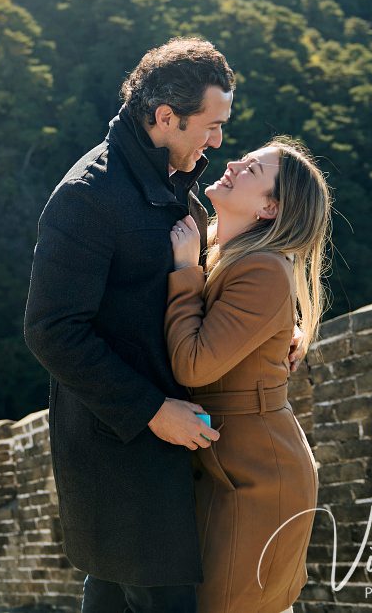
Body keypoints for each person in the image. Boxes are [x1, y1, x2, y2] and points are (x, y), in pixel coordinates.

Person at [24, 38, 235, 613]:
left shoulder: (171, 171)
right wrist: (151, 411)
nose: (219, 140)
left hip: (161, 445)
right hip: (121, 454)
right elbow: (51, 330)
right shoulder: (88, 197)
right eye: (211, 126)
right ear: (165, 117)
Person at [165, 136, 331, 613]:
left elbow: (193, 363)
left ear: (269, 208)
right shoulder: (224, 251)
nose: (235, 163)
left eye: (254, 170)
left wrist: (182, 272)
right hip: (229, 459)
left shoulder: (260, 268)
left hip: (258, 476)